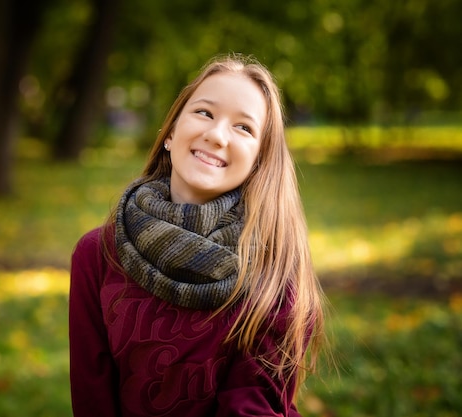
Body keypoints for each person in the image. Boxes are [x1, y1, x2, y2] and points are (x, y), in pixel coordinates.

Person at [68, 53, 326, 417]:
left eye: (243, 128)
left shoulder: (272, 275)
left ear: (258, 163)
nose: (216, 135)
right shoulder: (97, 254)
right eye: (204, 113)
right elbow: (92, 400)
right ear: (171, 133)